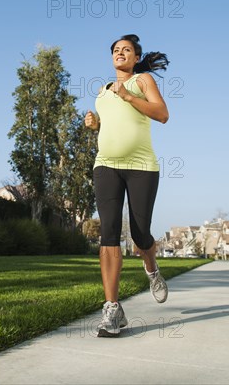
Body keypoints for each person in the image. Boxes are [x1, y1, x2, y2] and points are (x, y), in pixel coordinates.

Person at [84, 34, 170, 338]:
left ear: (135, 58)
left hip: (141, 167)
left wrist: (129, 97)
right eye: (116, 50)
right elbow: (114, 123)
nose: (121, 53)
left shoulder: (142, 80)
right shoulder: (102, 91)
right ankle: (112, 309)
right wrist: (96, 125)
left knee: (139, 233)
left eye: (127, 50)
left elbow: (162, 115)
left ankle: (152, 268)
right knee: (107, 232)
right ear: (112, 58)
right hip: (105, 164)